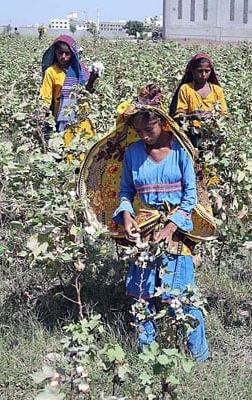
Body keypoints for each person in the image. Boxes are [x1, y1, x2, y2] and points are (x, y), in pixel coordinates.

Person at [109, 90, 212, 362]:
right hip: (144, 233)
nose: (144, 135)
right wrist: (128, 217)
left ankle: (199, 358)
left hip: (176, 232)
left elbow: (190, 197)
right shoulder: (132, 154)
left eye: (150, 128)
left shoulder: (181, 151)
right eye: (139, 130)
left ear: (163, 122)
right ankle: (147, 355)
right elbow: (125, 192)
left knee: (181, 298)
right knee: (140, 296)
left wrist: (170, 227)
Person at [40, 35, 102, 148]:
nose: (63, 57)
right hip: (61, 116)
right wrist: (42, 114)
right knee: (65, 146)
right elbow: (46, 96)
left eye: (67, 53)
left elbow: (87, 93)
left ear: (73, 53)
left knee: (82, 145)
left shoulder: (81, 70)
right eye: (60, 53)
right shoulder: (51, 71)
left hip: (81, 114)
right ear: (55, 53)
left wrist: (93, 77)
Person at [168, 52, 228, 146]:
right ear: (192, 70)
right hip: (190, 136)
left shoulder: (217, 90)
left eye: (207, 71)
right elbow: (179, 115)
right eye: (200, 71)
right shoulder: (186, 89)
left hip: (212, 135)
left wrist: (212, 117)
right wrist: (192, 116)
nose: (203, 74)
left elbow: (224, 114)